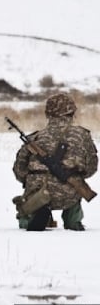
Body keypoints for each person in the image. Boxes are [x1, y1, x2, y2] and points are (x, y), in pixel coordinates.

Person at [12, 93, 97, 231]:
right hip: (69, 195)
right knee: (76, 186)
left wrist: (32, 180)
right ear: (72, 112)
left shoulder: (35, 137)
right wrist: (71, 176)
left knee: (27, 213)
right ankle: (73, 221)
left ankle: (31, 219)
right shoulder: (83, 136)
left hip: (38, 195)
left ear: (47, 114)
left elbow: (19, 171)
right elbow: (91, 168)